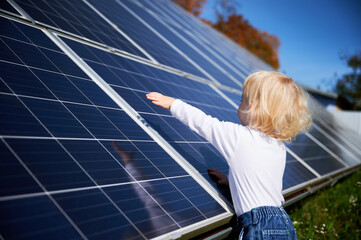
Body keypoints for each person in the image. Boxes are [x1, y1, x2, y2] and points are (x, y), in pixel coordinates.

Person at [146, 71, 312, 239]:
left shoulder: (238, 136)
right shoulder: (278, 146)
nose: (238, 105)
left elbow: (204, 123)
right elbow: (262, 180)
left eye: (242, 101)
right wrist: (232, 181)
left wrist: (173, 104)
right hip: (283, 221)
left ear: (252, 106)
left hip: (258, 225)